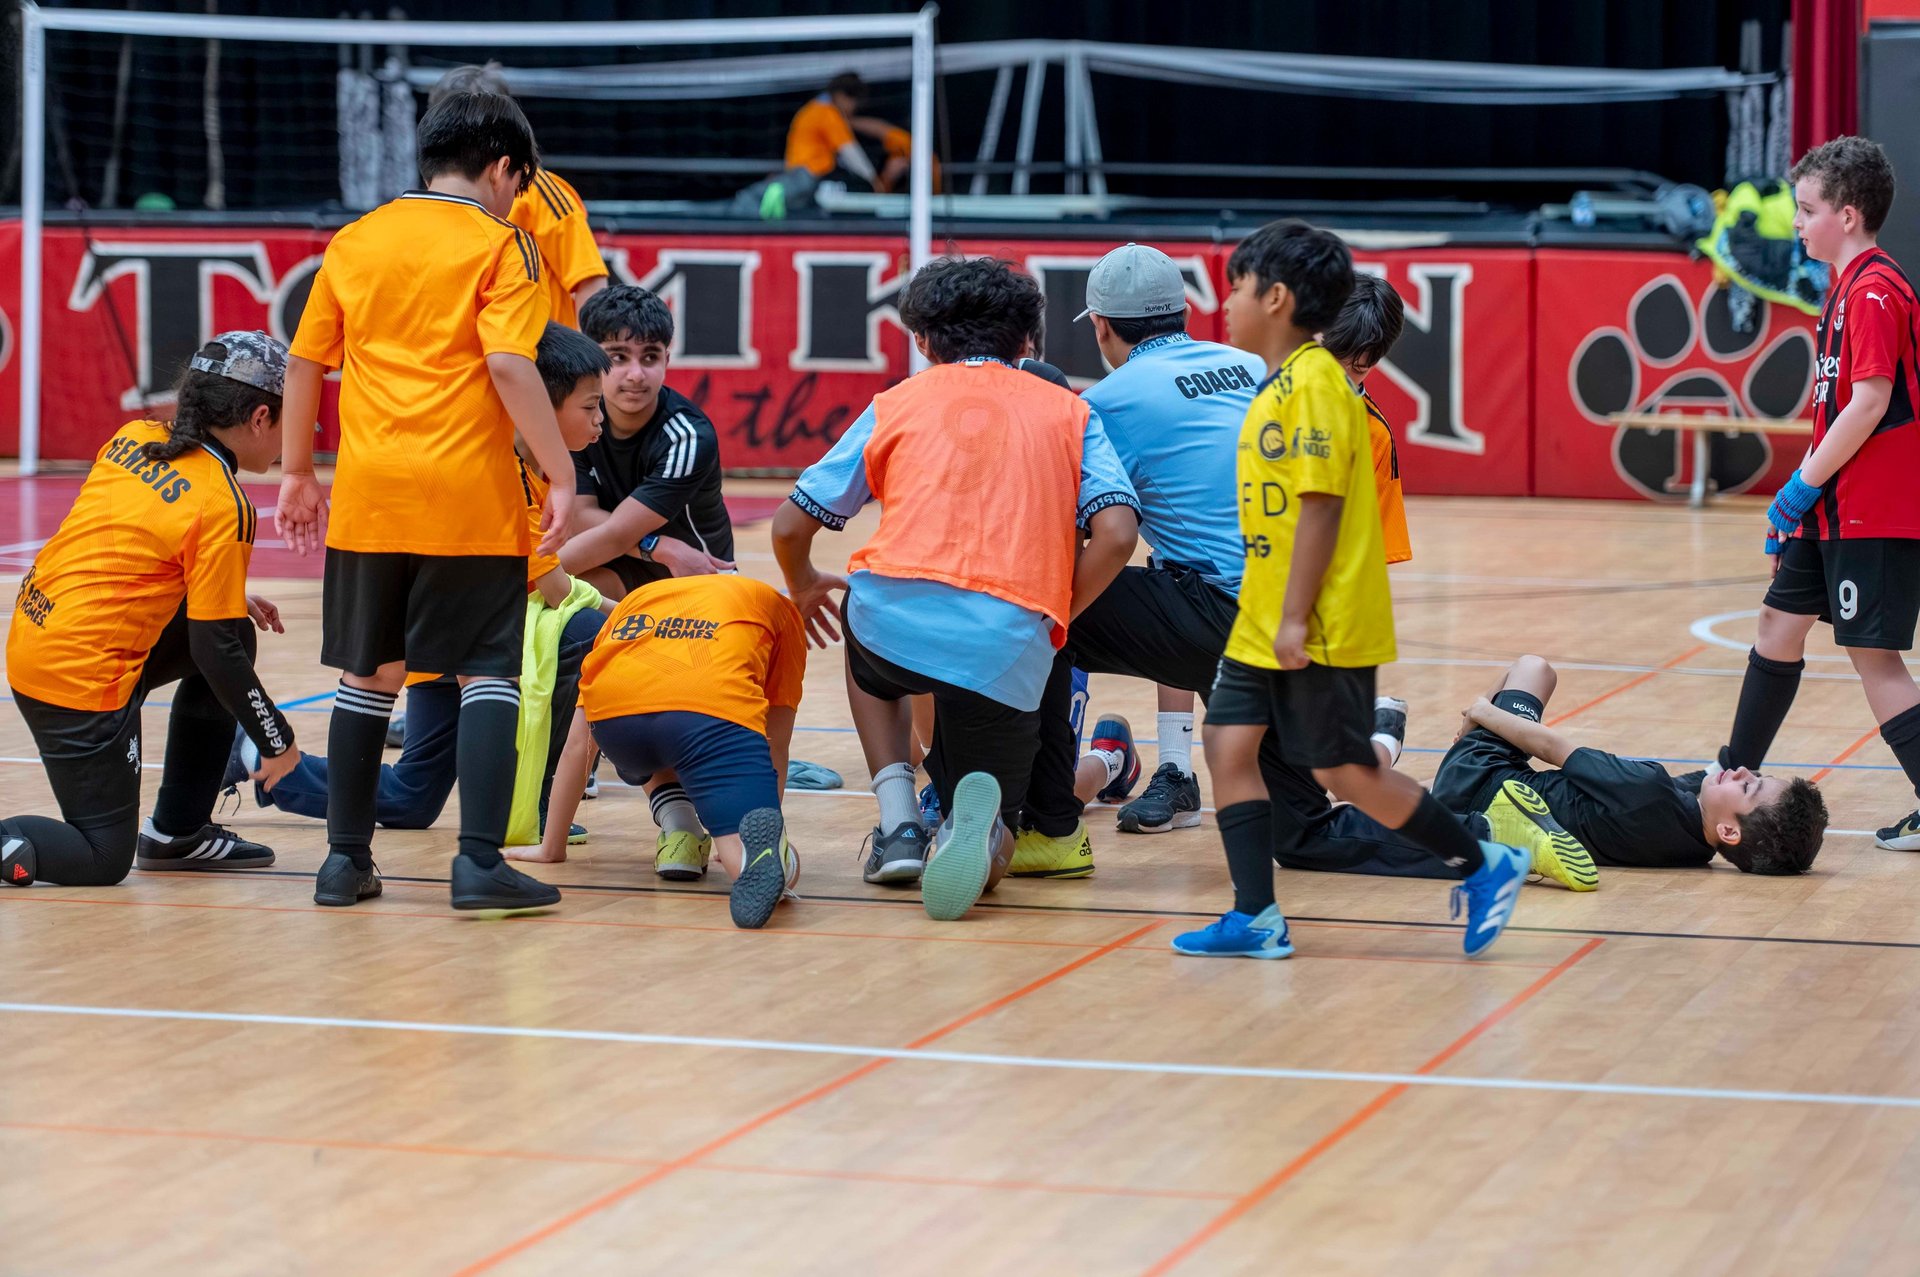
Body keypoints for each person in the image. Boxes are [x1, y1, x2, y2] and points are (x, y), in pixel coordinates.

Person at [1172, 219, 1531, 961]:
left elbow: (1321, 507)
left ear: (1274, 298)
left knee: (1343, 771)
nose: (1225, 305)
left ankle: (1483, 862)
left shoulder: (1321, 389)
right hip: (1264, 612)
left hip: (1318, 620)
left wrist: (1296, 616)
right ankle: (1256, 916)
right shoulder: (1279, 384)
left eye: (1236, 289)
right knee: (1226, 742)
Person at [278, 89, 576, 913]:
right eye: (518, 183)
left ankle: (344, 862)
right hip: (465, 496)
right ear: (503, 167)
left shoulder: (355, 239)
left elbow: (305, 365)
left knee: (365, 677)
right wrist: (562, 470)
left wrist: (297, 471)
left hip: (369, 495)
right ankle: (479, 864)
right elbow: (513, 367)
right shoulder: (502, 244)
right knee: (489, 672)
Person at [772, 256, 1141, 920]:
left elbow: (791, 522)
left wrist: (802, 582)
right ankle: (978, 835)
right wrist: (1053, 614)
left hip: (892, 621)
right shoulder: (1069, 411)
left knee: (865, 612)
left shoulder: (894, 403)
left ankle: (898, 822)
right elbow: (1116, 533)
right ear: (1028, 343)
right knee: (999, 828)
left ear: (921, 341)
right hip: (1006, 639)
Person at [232, 323, 616, 840]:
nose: (600, 420)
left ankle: (263, 760)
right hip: (457, 648)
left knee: (412, 801)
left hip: (462, 646)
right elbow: (553, 590)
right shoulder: (501, 472)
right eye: (590, 407)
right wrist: (635, 613)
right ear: (538, 406)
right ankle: (536, 803)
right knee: (590, 634)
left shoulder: (540, 468)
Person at [2, 334, 300, 888]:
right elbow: (216, 653)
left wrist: (221, 595)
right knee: (100, 859)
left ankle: (178, 833)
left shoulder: (136, 435)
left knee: (231, 621)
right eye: (291, 423)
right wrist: (276, 739)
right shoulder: (223, 503)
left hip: (39, 634)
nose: (292, 440)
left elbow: (129, 552)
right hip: (76, 679)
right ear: (261, 417)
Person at [1709, 135, 1920, 854]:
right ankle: (1729, 776)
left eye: (1806, 209)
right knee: (1777, 626)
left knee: (1876, 658)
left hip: (1872, 509)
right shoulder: (1841, 289)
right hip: (1833, 507)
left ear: (1850, 215)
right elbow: (1833, 412)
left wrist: (1801, 486)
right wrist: (1791, 508)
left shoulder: (1873, 290)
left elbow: (1869, 403)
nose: (1795, 222)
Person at [1277, 656, 1826, 881]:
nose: (1740, 771)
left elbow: (1549, 745)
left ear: (1730, 827)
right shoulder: (1692, 847)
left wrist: (1480, 713)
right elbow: (1704, 786)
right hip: (1498, 791)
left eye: (1748, 784)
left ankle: (1383, 745)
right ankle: (1394, 764)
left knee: (1533, 669)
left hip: (1486, 782)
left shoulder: (1650, 792)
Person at [530, 574, 805, 930]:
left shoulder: (635, 601)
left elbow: (578, 746)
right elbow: (775, 740)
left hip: (619, 729)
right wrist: (761, 816)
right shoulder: (779, 608)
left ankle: (681, 834)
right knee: (750, 856)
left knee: (656, 728)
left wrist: (551, 848)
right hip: (706, 719)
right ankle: (760, 859)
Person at [563, 285, 735, 598]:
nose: (636, 375)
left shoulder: (688, 436)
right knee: (555, 599)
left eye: (650, 357)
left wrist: (523, 585)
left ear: (666, 360)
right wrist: (659, 546)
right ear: (590, 356)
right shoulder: (579, 417)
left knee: (545, 596)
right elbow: (578, 515)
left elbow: (615, 534)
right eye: (618, 356)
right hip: (626, 561)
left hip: (694, 576)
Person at [429, 64, 608, 328]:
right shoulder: (436, 198)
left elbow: (590, 282)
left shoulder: (539, 191)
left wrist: (587, 364)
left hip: (541, 361)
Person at [1322, 272, 1412, 566]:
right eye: (1331, 361)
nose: (1340, 379)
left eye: (1358, 369)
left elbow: (1370, 557)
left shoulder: (1375, 435)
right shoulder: (1251, 387)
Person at [784, 72, 909, 194]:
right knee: (860, 190)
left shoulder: (812, 108)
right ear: (841, 96)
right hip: (812, 174)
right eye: (854, 103)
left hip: (796, 173)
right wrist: (873, 181)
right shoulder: (828, 113)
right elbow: (850, 151)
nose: (853, 109)